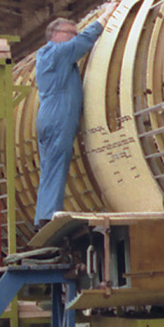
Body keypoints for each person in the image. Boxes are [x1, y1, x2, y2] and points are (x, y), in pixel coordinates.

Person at [34, 16, 102, 224]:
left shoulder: (49, 56)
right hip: (58, 114)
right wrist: (104, 19)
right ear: (55, 35)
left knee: (50, 167)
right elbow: (82, 43)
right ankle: (48, 218)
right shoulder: (57, 52)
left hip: (49, 114)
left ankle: (43, 216)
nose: (74, 36)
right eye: (70, 33)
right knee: (56, 165)